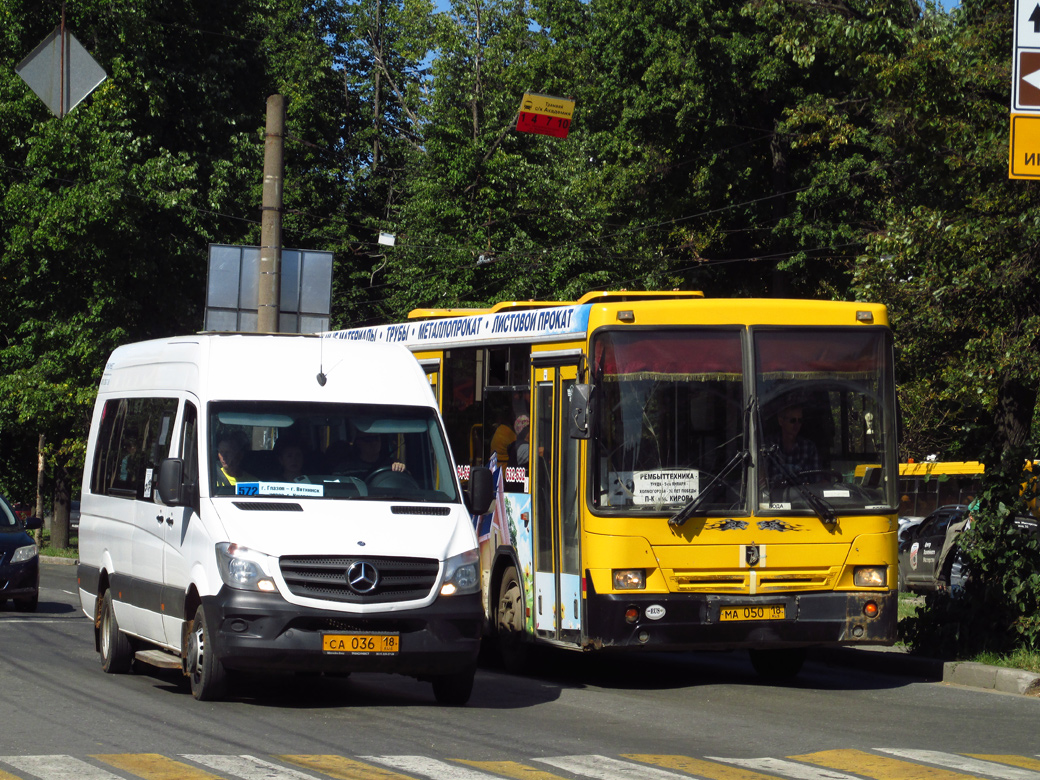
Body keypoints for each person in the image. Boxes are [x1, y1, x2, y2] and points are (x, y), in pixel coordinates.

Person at [766, 404, 820, 478]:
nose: (797, 425)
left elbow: (816, 482)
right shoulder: (768, 446)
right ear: (781, 421)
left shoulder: (809, 448)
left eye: (800, 420)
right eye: (792, 420)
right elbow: (762, 483)